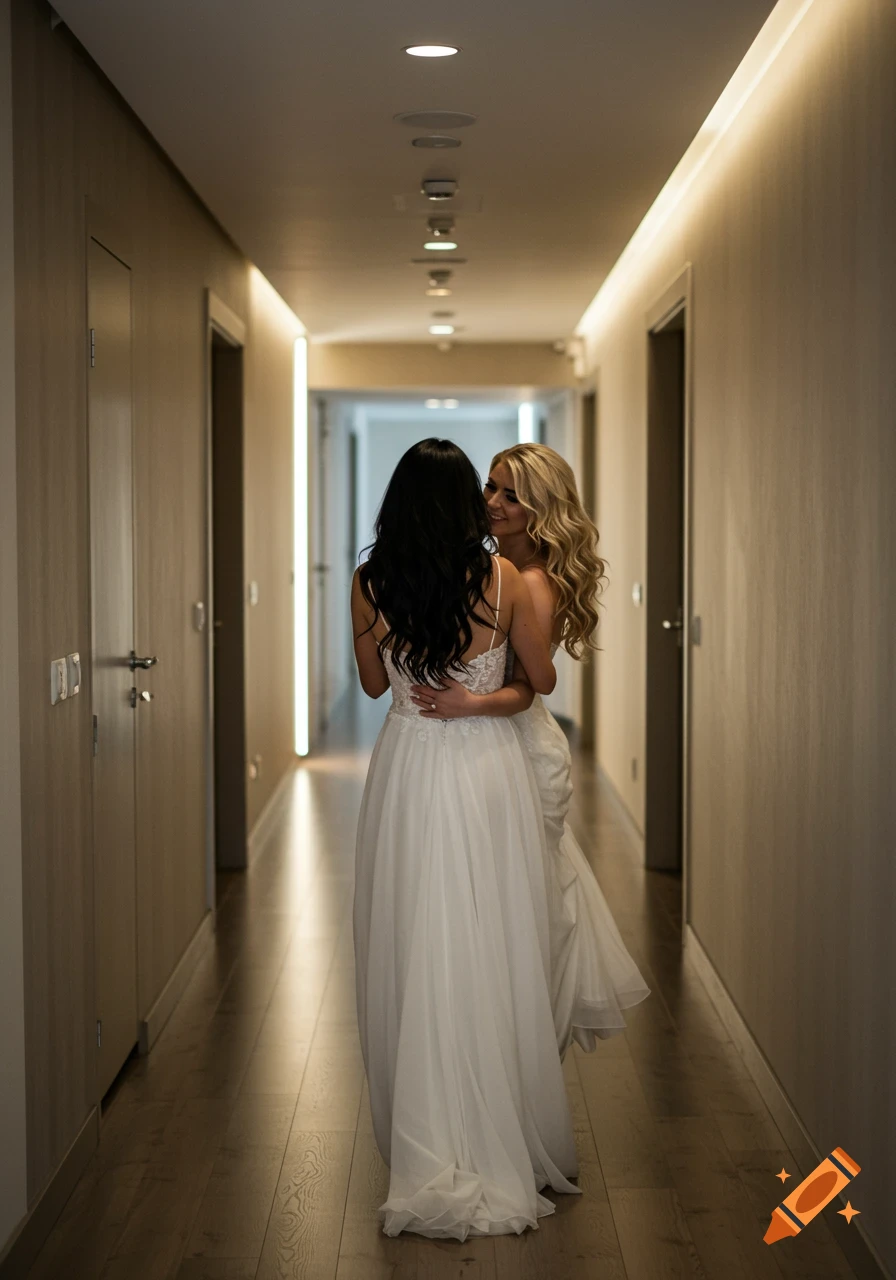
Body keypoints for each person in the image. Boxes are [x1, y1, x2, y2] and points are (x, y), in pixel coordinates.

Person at [351, 439, 580, 1242]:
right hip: (485, 770)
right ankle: (496, 1125)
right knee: (489, 935)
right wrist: (475, 699)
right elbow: (533, 686)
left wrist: (393, 654)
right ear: (460, 505)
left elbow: (374, 685)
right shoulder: (504, 579)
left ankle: (428, 1132)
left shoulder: (370, 582)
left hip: (408, 765)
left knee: (415, 930)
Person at [411, 442, 650, 1056]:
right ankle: (491, 1025)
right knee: (496, 887)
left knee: (522, 893)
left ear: (541, 508)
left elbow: (531, 685)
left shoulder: (533, 582)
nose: (493, 502)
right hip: (490, 735)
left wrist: (468, 704)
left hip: (516, 739)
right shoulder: (495, 566)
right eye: (491, 486)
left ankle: (519, 1032)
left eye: (512, 495)